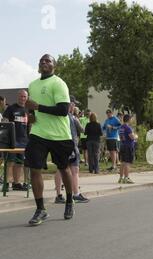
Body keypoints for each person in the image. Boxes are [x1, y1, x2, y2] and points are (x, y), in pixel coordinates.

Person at [24, 54, 75, 226]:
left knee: (64, 168)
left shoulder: (58, 83)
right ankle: (41, 209)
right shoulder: (32, 85)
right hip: (38, 133)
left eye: (48, 61)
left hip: (60, 135)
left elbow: (62, 110)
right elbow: (32, 110)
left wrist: (38, 107)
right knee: (35, 169)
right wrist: (31, 116)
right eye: (41, 60)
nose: (44, 62)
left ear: (54, 65)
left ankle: (69, 200)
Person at [54, 98, 89, 204]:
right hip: (71, 146)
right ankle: (76, 194)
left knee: (60, 169)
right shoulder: (73, 118)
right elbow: (82, 130)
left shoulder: (59, 116)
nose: (75, 107)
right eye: (74, 105)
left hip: (60, 144)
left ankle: (59, 195)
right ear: (71, 104)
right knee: (75, 170)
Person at [2, 90, 30, 191]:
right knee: (10, 162)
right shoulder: (11, 108)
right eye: (21, 96)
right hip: (12, 140)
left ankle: (16, 183)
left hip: (24, 140)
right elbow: (4, 121)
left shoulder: (28, 110)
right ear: (18, 97)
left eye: (25, 97)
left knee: (20, 163)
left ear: (27, 98)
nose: (23, 98)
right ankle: (5, 183)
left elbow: (30, 125)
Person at [118, 114, 135, 184]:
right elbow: (132, 137)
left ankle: (121, 178)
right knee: (127, 162)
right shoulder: (128, 128)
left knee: (123, 162)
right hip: (128, 146)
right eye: (130, 119)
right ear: (128, 119)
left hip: (122, 145)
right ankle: (126, 177)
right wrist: (136, 136)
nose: (131, 120)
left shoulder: (121, 127)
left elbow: (121, 136)